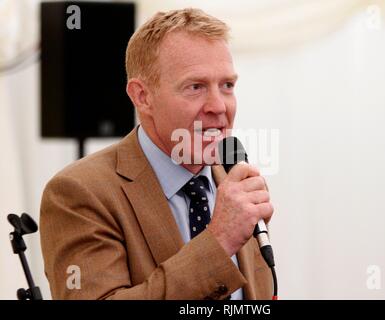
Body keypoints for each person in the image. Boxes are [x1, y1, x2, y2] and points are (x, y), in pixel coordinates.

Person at [40, 8, 274, 300]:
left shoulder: (235, 182)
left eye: (227, 85)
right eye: (196, 87)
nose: (219, 106)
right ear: (142, 96)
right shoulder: (78, 193)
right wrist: (220, 240)